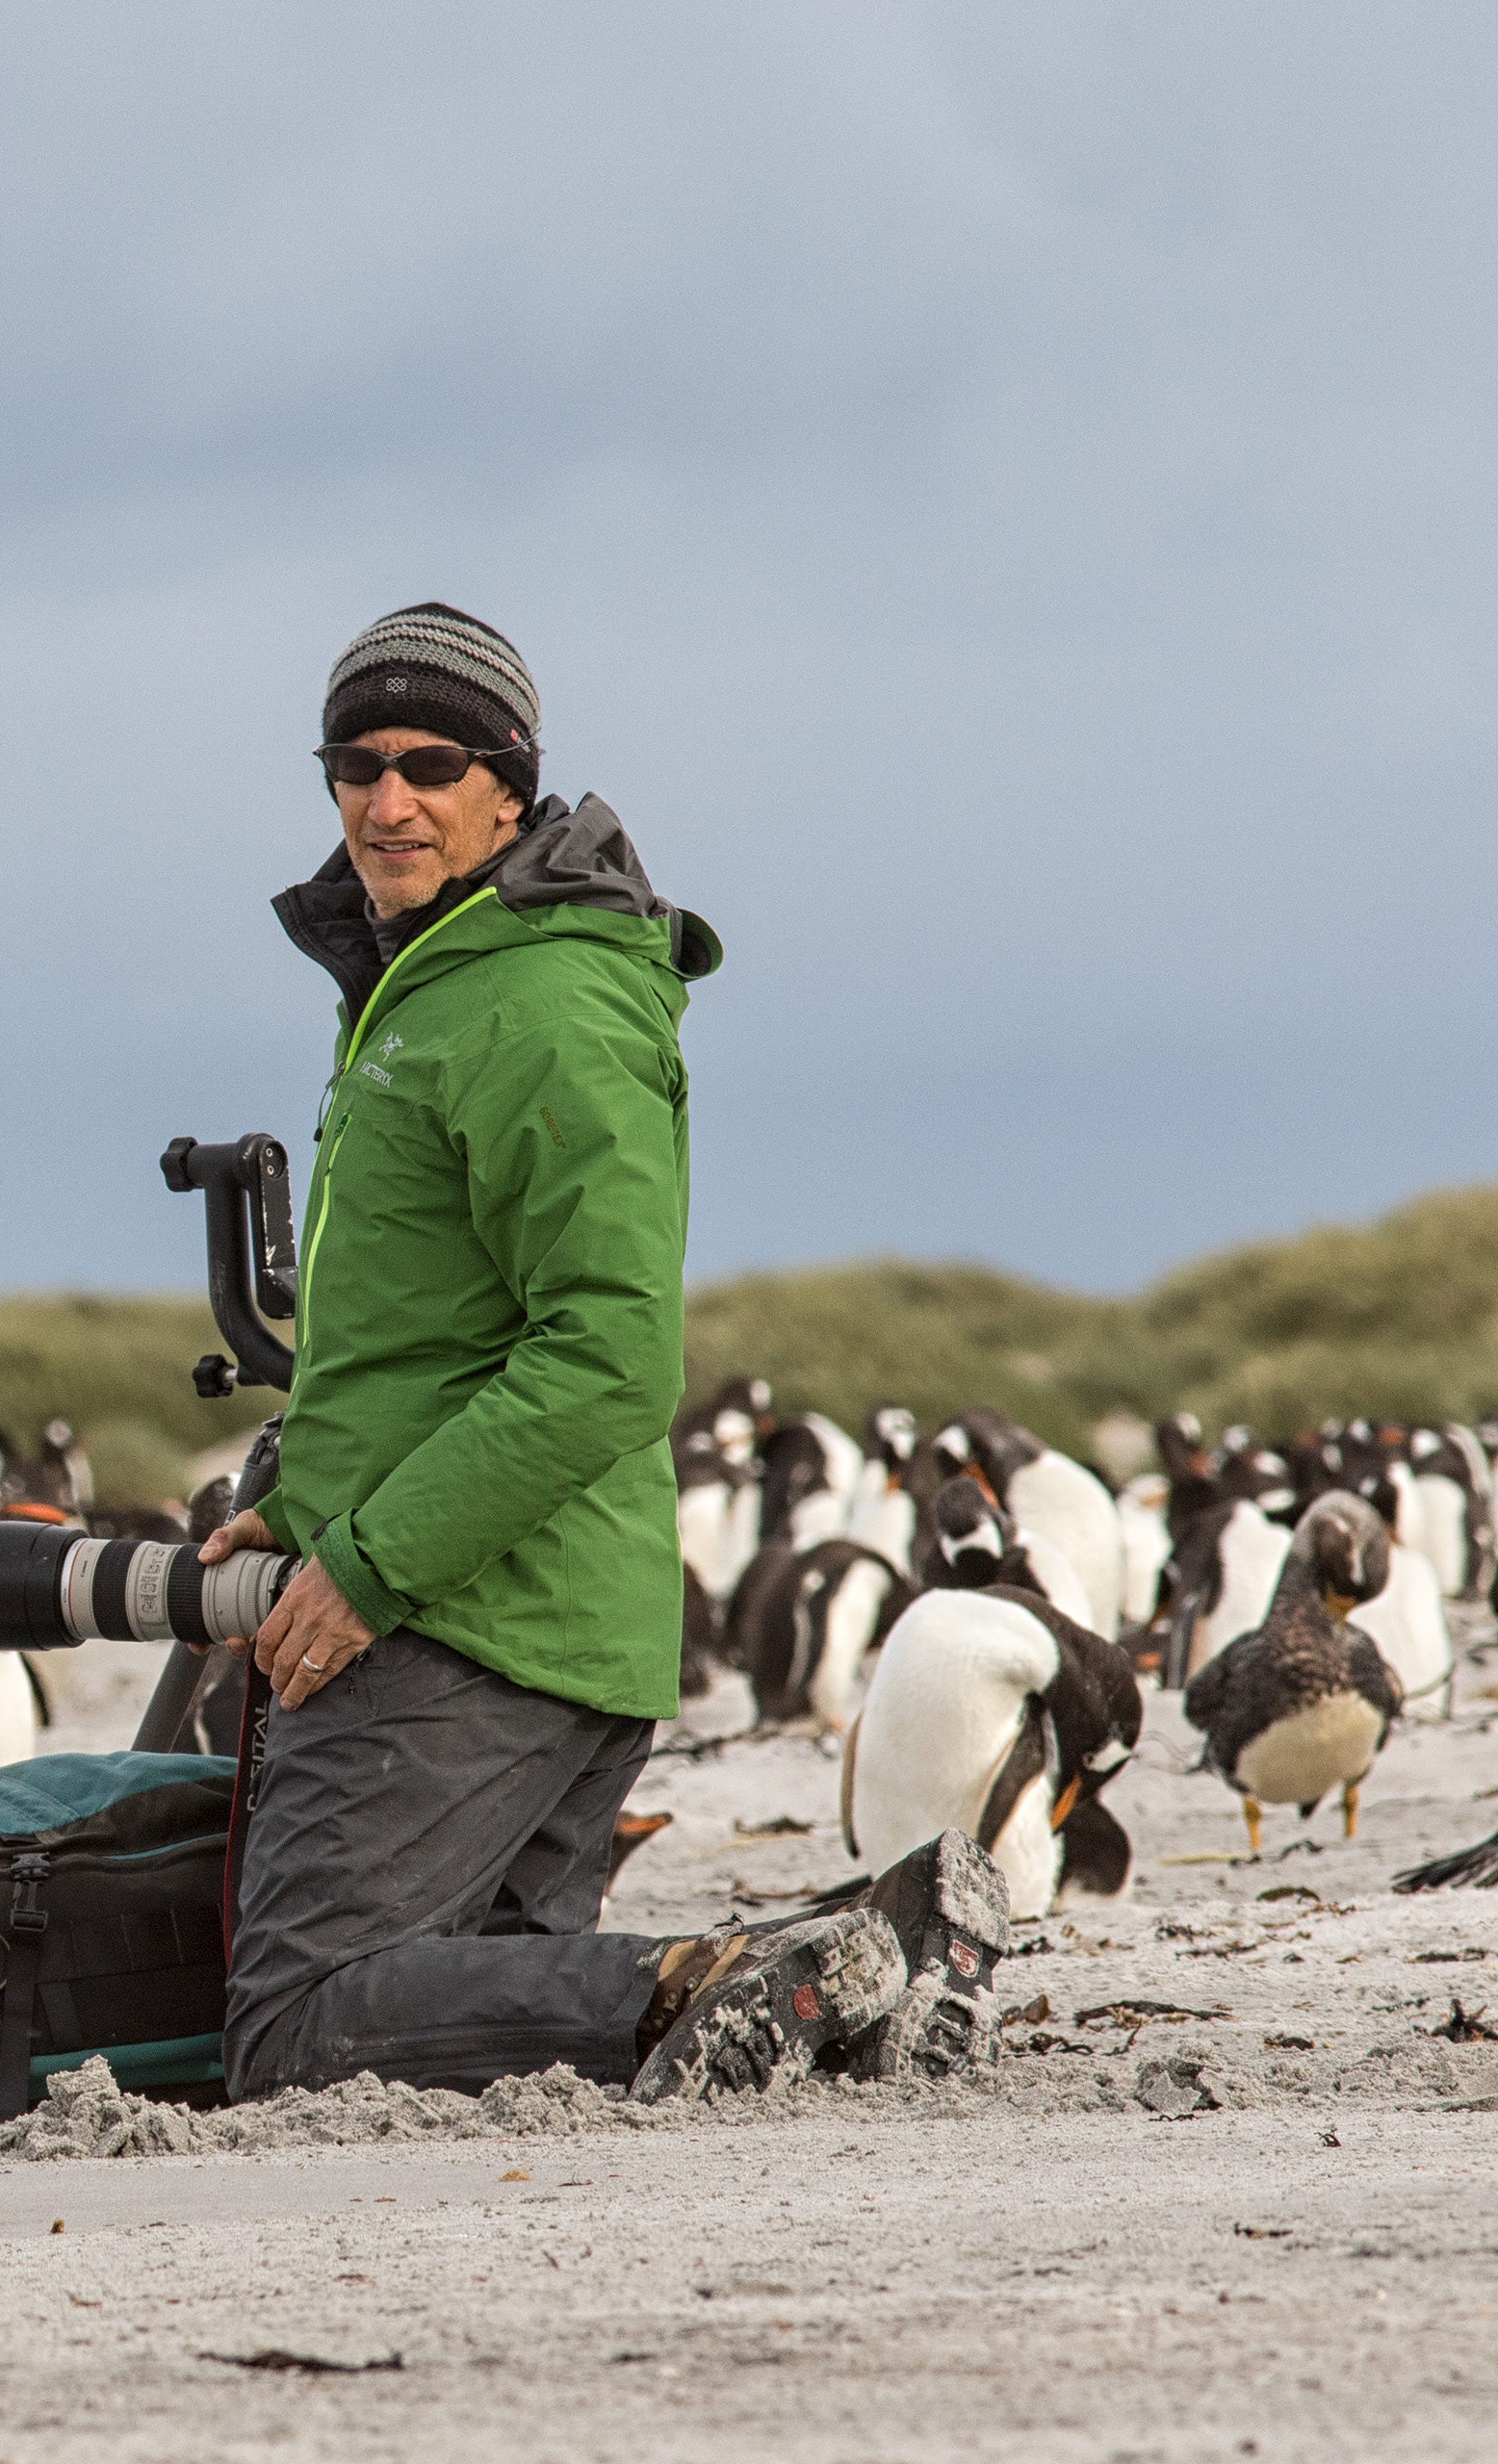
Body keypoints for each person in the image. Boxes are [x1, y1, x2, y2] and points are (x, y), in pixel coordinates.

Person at [195, 603, 1001, 2102]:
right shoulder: (437, 977)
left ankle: (739, 1968)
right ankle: (837, 2003)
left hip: (466, 1620)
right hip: (538, 1612)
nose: (388, 801)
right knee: (471, 2055)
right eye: (352, 765)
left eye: (432, 763)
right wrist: (307, 1504)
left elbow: (611, 1355)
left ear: (510, 781)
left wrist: (364, 1567)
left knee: (303, 2029)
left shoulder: (539, 998)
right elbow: (432, 1337)